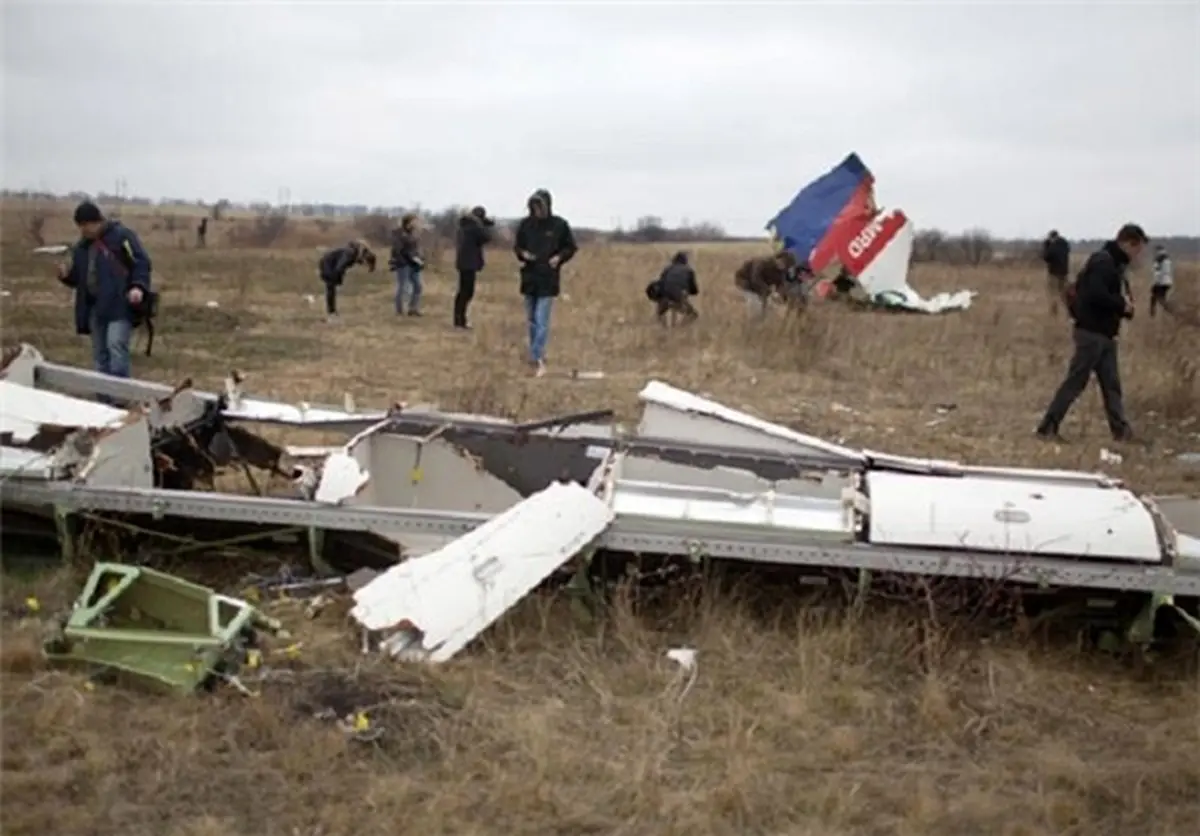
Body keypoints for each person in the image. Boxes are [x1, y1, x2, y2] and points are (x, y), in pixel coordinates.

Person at [1036, 223, 1148, 443]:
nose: (1138, 254)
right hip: (1091, 333)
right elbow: (1095, 294)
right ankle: (1047, 428)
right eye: (1137, 249)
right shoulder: (1103, 262)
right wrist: (1120, 305)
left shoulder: (1113, 264)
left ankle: (1121, 432)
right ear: (1127, 243)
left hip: (1105, 334)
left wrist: (1124, 310)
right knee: (1075, 382)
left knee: (1111, 385)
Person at [55, 201, 153, 380]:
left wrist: (138, 286)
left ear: (97, 221)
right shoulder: (81, 248)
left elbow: (141, 263)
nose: (84, 230)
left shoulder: (122, 237)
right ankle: (103, 401)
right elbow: (79, 280)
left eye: (86, 225)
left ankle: (119, 397)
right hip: (94, 309)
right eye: (80, 226)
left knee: (116, 348)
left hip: (119, 306)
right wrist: (65, 276)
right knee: (100, 356)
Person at [513, 189, 577, 377]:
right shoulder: (525, 225)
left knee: (542, 320)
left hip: (548, 278)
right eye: (534, 206)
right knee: (532, 320)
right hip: (530, 277)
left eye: (540, 206)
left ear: (548, 205)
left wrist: (559, 258)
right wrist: (523, 254)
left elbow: (571, 247)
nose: (537, 209)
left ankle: (536, 355)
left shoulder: (559, 225)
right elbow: (517, 247)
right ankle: (536, 351)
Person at [453, 206, 495, 329]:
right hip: (469, 263)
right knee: (467, 292)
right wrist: (486, 225)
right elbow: (486, 237)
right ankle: (460, 320)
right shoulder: (474, 227)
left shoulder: (465, 225)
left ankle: (459, 319)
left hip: (463, 262)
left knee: (463, 292)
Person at [318, 239, 376, 322]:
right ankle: (331, 314)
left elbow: (360, 260)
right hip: (327, 264)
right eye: (365, 264)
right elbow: (340, 267)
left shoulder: (355, 252)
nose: (363, 265)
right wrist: (338, 279)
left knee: (332, 288)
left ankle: (332, 312)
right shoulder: (350, 254)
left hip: (330, 264)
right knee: (331, 288)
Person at [734, 250, 798, 319]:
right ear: (778, 259)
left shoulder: (781, 271)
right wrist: (768, 290)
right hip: (746, 280)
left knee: (766, 304)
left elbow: (780, 284)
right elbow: (755, 278)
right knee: (755, 303)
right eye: (784, 264)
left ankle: (763, 319)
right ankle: (754, 320)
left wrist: (782, 295)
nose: (784, 267)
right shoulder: (762, 262)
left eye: (787, 266)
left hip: (761, 284)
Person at [646, 251, 699, 326]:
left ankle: (663, 329)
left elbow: (662, 283)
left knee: (660, 314)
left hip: (664, 297)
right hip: (679, 297)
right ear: (685, 261)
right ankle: (680, 329)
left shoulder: (667, 269)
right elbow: (694, 290)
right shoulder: (689, 271)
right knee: (693, 315)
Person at [389, 213, 425, 317]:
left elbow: (416, 248)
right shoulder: (400, 234)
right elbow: (398, 250)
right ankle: (399, 310)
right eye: (414, 221)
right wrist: (408, 258)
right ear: (408, 222)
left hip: (414, 264)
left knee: (418, 286)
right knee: (403, 287)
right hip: (403, 263)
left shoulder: (414, 234)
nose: (417, 223)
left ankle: (413, 308)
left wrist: (420, 258)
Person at [1041, 230, 1071, 316]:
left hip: (1054, 273)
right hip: (1064, 272)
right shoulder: (1065, 244)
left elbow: (1046, 257)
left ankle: (1054, 312)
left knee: (1053, 292)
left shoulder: (1053, 246)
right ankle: (1068, 310)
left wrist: (1046, 246)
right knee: (1064, 293)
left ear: (1052, 237)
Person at [1150, 244, 1174, 318]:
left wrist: (1157, 281)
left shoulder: (1160, 259)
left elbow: (1159, 271)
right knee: (1156, 296)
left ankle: (1170, 311)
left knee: (1158, 297)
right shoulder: (1166, 258)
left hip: (1161, 282)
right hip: (1167, 281)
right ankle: (1153, 311)